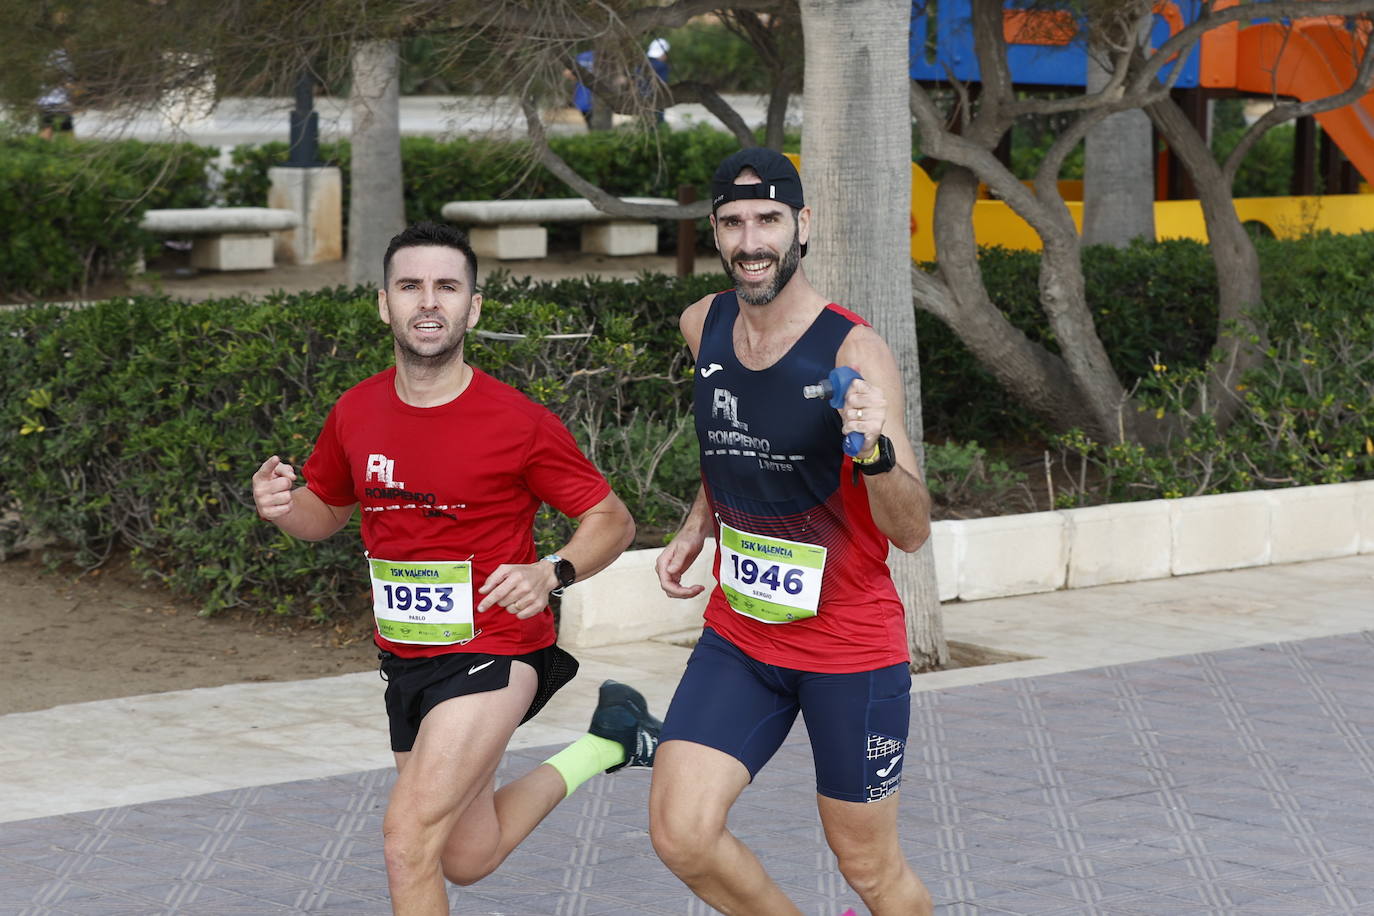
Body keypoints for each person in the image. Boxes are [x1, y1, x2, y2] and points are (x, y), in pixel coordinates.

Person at [250, 220, 661, 916]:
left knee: (407, 841)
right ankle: (610, 743)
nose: (429, 302)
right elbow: (326, 510)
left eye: (447, 286)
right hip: (407, 659)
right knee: (466, 856)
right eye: (411, 286)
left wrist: (550, 572)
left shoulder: (517, 421)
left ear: (473, 307)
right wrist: (282, 507)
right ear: (385, 304)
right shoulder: (356, 411)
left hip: (493, 650)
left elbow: (612, 519)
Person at [649, 149, 935, 916]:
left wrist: (871, 453)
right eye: (734, 222)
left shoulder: (852, 351)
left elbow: (911, 531)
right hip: (741, 635)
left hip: (847, 648)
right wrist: (699, 519)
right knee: (682, 833)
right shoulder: (702, 324)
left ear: (801, 225)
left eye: (768, 220)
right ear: (715, 231)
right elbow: (730, 436)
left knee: (868, 868)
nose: (751, 241)